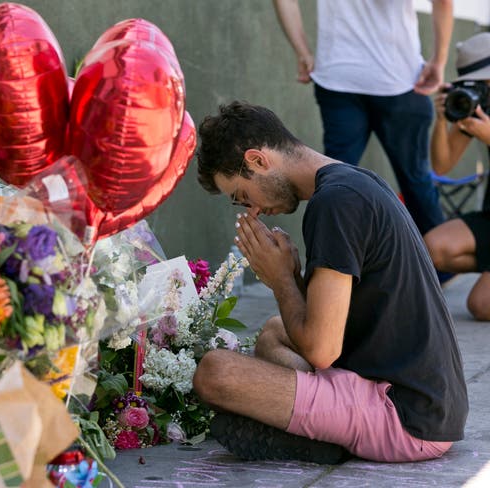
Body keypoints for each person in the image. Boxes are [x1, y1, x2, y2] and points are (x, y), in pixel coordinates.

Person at [193, 101, 468, 464]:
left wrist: (279, 282)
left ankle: (321, 437)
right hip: (432, 405)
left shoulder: (335, 203)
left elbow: (321, 350)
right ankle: (319, 422)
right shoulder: (352, 182)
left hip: (405, 418)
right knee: (274, 333)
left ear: (258, 161)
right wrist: (291, 276)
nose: (252, 211)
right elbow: (332, 325)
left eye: (243, 196)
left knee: (216, 372)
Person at [272, 0, 453, 236]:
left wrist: (302, 51)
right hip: (398, 79)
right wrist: (439, 60)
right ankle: (442, 271)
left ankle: (330, 268)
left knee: (334, 186)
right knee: (417, 184)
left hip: (339, 77)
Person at [424, 32, 490, 320]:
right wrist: (440, 122)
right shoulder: (478, 108)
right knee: (432, 249)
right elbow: (442, 165)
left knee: (482, 305)